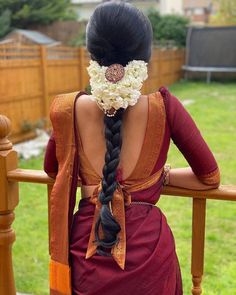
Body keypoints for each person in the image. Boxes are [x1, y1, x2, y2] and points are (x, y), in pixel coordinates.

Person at [44, 2, 220, 295]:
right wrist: (157, 178)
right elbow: (210, 177)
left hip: (87, 253)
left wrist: (97, 182)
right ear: (145, 55)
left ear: (92, 53)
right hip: (149, 255)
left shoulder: (68, 110)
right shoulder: (165, 107)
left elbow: (54, 170)